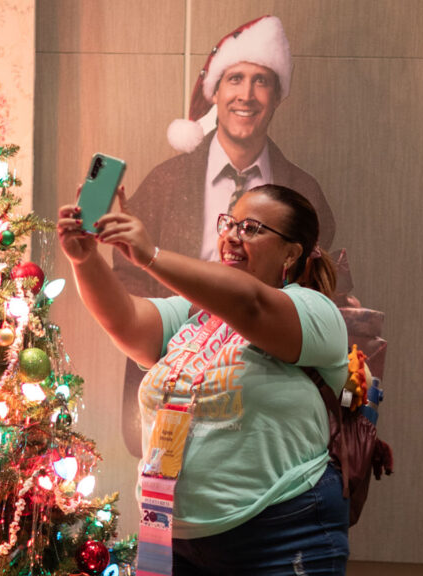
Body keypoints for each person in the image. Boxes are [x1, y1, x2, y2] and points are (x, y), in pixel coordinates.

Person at [58, 183, 350, 575]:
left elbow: (251, 304)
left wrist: (152, 256)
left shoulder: (314, 312)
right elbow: (125, 320)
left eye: (251, 228)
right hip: (170, 534)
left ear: (291, 252)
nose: (231, 236)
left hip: (279, 533)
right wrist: (85, 259)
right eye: (229, 223)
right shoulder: (194, 313)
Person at [114, 15, 337, 457]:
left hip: (264, 393)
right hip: (177, 370)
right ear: (215, 91)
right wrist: (171, 348)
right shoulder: (165, 181)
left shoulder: (304, 190)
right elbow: (127, 280)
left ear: (278, 98)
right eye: (235, 78)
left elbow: (315, 287)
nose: (247, 95)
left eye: (262, 81)